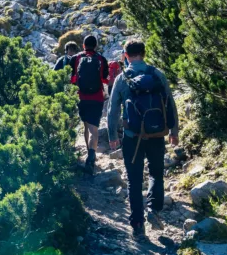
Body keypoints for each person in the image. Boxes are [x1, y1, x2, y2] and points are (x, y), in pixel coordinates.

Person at [106, 38, 179, 237]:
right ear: (144, 54)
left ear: (126, 56)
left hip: (132, 137)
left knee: (134, 180)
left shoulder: (122, 78)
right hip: (156, 134)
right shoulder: (157, 75)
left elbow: (112, 110)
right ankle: (153, 210)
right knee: (156, 173)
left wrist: (112, 135)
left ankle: (137, 224)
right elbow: (170, 104)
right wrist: (174, 131)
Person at [70, 35, 108, 173]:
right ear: (96, 46)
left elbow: (71, 78)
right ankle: (91, 156)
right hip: (96, 98)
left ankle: (88, 152)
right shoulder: (101, 59)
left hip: (80, 97)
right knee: (94, 129)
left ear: (84, 45)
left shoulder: (76, 58)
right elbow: (104, 79)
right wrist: (105, 94)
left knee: (85, 126)